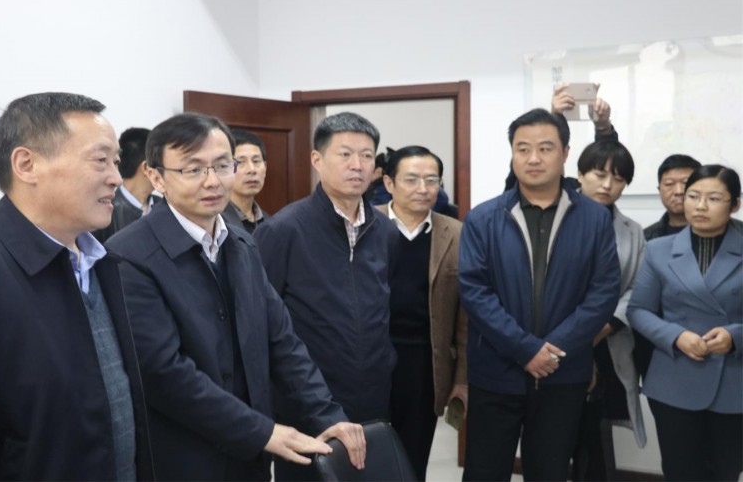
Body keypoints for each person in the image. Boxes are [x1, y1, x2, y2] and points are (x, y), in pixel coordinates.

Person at [106, 112, 365, 481]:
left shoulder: (242, 242)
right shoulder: (130, 255)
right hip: (182, 456)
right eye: (193, 169)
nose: (213, 181)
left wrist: (327, 416)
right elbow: (164, 374)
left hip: (249, 456)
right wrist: (263, 432)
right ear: (156, 177)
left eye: (223, 165)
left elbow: (282, 341)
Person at [0, 92, 154, 480]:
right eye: (100, 160)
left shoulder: (103, 263)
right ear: (27, 165)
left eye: (116, 161)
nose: (115, 177)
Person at [459, 108, 620, 481]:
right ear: (512, 154)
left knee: (550, 471)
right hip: (496, 371)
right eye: (523, 149)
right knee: (484, 471)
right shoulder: (482, 218)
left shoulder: (595, 218)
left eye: (545, 148)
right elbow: (474, 291)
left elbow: (603, 292)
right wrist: (524, 348)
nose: (533, 158)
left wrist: (553, 350)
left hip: (563, 373)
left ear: (565, 153)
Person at [254, 111, 397, 481]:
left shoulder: (384, 230)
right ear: (317, 160)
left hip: (373, 396)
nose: (357, 165)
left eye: (367, 156)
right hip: (307, 400)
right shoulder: (283, 230)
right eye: (345, 154)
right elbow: (263, 322)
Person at [628, 165, 742, 482]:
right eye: (693, 196)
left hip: (734, 380)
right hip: (674, 378)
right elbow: (638, 310)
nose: (700, 206)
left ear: (734, 204)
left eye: (713, 198)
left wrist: (735, 336)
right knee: (680, 471)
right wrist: (676, 336)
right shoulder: (658, 249)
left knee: (724, 471)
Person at [375, 145, 468, 481]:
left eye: (432, 180)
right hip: (371, 359)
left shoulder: (456, 233)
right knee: (367, 453)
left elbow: (465, 317)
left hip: (425, 364)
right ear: (389, 183)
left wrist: (461, 379)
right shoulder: (365, 224)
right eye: (412, 179)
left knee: (414, 456)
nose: (423, 188)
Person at [571, 139, 647, 480]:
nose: (607, 185)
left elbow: (638, 289)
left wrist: (604, 327)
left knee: (595, 430)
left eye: (618, 179)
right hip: (558, 341)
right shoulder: (556, 219)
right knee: (555, 432)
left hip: (607, 338)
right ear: (579, 175)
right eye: (599, 174)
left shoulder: (632, 231)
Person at [93, 126, 160, 242]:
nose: (169, 170)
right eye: (163, 162)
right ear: (146, 168)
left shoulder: (165, 206)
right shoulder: (103, 212)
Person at [221, 128, 269, 234]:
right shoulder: (216, 221)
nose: (252, 170)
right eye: (240, 162)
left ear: (265, 167)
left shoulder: (270, 222)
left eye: (256, 161)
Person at [643, 155, 702, 240]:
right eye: (669, 184)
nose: (679, 191)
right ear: (659, 190)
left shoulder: (717, 231)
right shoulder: (645, 237)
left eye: (686, 182)